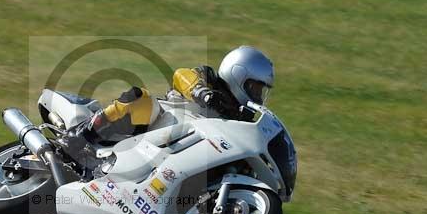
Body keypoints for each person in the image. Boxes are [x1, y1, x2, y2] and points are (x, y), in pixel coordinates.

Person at [66, 45, 275, 148]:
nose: (257, 95)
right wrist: (201, 92)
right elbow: (181, 75)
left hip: (176, 149)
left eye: (261, 91)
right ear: (238, 73)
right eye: (255, 88)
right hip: (156, 124)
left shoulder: (238, 116)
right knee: (143, 100)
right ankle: (83, 134)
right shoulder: (208, 79)